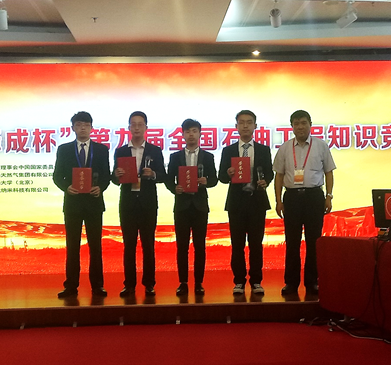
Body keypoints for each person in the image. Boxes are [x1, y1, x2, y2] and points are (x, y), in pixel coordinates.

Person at [273, 110, 336, 296]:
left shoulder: (321, 146)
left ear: (310, 124)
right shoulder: (285, 148)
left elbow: (329, 172)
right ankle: (291, 283)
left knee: (314, 241)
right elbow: (279, 176)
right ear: (292, 126)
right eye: (296, 124)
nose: (300, 127)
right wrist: (278, 200)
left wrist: (329, 196)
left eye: (303, 123)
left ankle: (312, 281)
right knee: (292, 242)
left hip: (314, 197)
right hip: (292, 198)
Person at [53, 111, 111, 299]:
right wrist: (66, 187)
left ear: (92, 128)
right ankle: (71, 286)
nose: (83, 128)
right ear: (73, 128)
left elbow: (106, 175)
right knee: (72, 247)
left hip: (94, 203)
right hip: (73, 204)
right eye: (79, 125)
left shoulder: (101, 150)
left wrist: (100, 187)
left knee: (96, 246)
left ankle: (97, 286)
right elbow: (57, 176)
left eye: (86, 125)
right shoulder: (64, 150)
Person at [218, 110, 273, 295]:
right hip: (236, 203)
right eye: (241, 123)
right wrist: (228, 173)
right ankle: (239, 281)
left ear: (255, 126)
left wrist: (265, 181)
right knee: (237, 244)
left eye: (249, 122)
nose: (245, 126)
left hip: (257, 202)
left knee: (256, 244)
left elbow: (269, 173)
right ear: (236, 127)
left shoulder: (264, 150)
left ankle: (256, 281)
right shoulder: (228, 150)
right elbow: (221, 177)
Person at [112, 111, 166, 297]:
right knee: (129, 246)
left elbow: (163, 176)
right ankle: (129, 284)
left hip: (147, 203)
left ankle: (149, 283)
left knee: (148, 245)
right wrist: (116, 175)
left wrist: (154, 174)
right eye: (133, 124)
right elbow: (114, 178)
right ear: (128, 128)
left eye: (140, 124)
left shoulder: (155, 150)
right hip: (127, 203)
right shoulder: (120, 151)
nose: (136, 128)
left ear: (146, 128)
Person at [166, 119, 218, 296]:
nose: (191, 135)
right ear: (182, 134)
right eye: (187, 131)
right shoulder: (175, 157)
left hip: (200, 206)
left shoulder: (208, 157)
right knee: (182, 246)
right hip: (181, 206)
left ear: (200, 134)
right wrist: (175, 188)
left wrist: (206, 181)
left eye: (194, 131)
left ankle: (198, 283)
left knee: (200, 246)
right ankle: (183, 282)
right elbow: (168, 179)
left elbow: (214, 179)